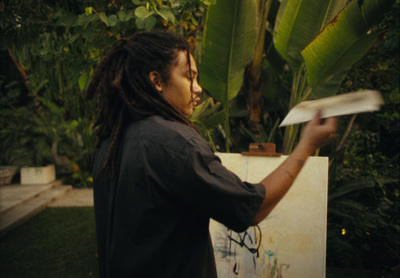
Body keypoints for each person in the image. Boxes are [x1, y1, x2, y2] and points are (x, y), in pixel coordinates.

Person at [88, 30, 337, 278]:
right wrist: (306, 144)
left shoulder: (109, 143)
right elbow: (251, 208)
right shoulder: (176, 144)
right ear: (157, 81)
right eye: (189, 77)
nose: (198, 89)